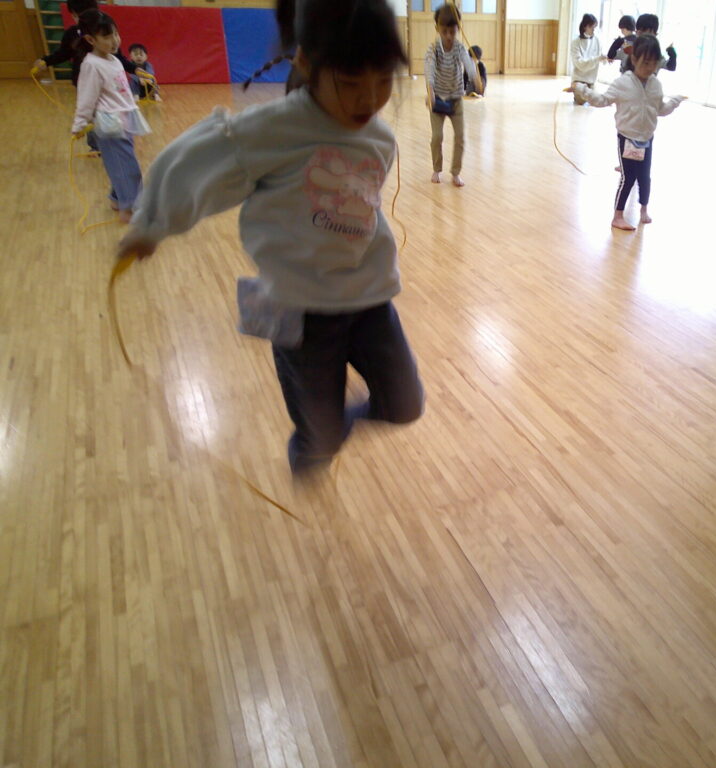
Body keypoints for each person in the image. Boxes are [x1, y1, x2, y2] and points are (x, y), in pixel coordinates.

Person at [115, 0, 424, 474]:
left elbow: (356, 206)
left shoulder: (379, 138)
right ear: (306, 63)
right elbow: (192, 163)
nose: (369, 99)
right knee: (319, 442)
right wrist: (151, 224)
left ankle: (326, 426)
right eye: (350, 83)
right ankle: (316, 439)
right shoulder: (272, 130)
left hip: (368, 299)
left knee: (405, 403)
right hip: (300, 308)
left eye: (384, 81)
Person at [575, 35, 685, 231]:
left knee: (645, 177)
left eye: (654, 63)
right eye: (645, 62)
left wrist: (675, 101)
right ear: (634, 59)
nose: (649, 68)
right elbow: (602, 100)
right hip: (627, 137)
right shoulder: (622, 83)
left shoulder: (655, 85)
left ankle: (644, 209)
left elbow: (660, 110)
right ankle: (617, 216)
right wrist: (582, 89)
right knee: (628, 177)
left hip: (647, 138)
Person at [71, 10, 150, 223]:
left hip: (124, 118)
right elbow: (86, 98)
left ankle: (117, 199)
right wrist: (79, 124)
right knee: (128, 167)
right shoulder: (91, 65)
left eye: (116, 34)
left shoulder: (113, 59)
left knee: (120, 164)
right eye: (107, 36)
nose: (115, 40)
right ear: (90, 40)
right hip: (109, 124)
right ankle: (129, 208)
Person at [33, 0, 142, 154]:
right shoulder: (74, 36)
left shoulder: (105, 34)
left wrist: (135, 69)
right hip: (85, 82)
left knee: (109, 112)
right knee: (91, 113)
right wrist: (46, 61)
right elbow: (63, 53)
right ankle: (96, 145)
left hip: (108, 84)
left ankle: (113, 141)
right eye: (77, 16)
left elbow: (119, 58)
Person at [425, 3, 482, 187]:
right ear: (437, 29)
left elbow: (468, 64)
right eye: (444, 32)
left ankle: (455, 173)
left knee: (460, 137)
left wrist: (475, 78)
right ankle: (436, 169)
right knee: (437, 137)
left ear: (458, 29)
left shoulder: (459, 48)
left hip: (455, 99)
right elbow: (429, 70)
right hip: (438, 100)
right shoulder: (433, 49)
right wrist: (430, 91)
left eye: (453, 32)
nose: (449, 36)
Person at [569, 13, 602, 105]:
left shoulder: (597, 41)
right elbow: (580, 64)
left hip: (591, 81)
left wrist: (606, 58)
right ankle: (575, 89)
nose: (594, 29)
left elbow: (600, 58)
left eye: (595, 27)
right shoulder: (575, 42)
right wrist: (597, 59)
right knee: (581, 100)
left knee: (594, 99)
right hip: (579, 80)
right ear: (585, 27)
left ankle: (581, 90)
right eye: (592, 27)